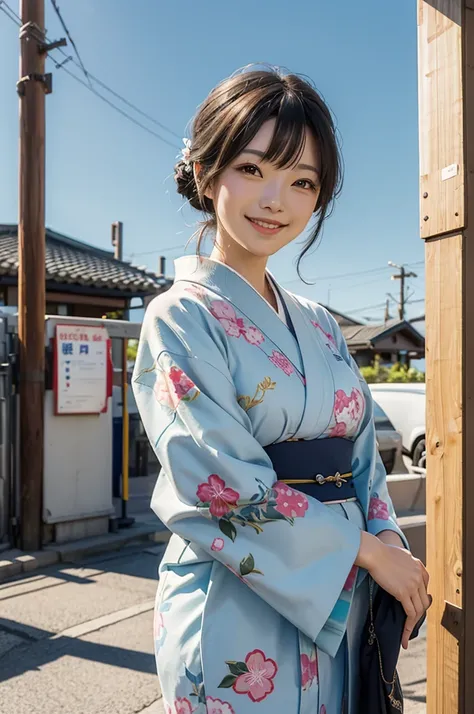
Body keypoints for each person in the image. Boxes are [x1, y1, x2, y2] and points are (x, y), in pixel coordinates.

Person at [132, 66, 430, 714]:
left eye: (302, 182)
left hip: (343, 596)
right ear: (208, 172)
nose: (276, 200)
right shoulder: (180, 317)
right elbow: (215, 478)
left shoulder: (321, 325)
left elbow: (361, 463)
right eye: (253, 168)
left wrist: (391, 549)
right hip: (238, 603)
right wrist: (365, 551)